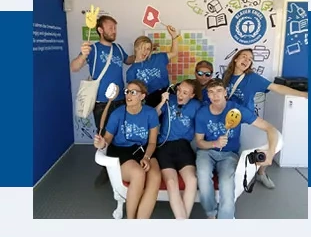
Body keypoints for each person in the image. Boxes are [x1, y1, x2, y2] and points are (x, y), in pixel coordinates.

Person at [221, 48, 308, 189]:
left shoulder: (252, 78)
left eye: (250, 59)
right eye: (244, 56)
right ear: (235, 59)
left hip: (247, 120)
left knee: (269, 139)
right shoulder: (226, 75)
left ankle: (261, 172)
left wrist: (303, 95)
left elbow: (277, 88)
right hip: (229, 120)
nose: (247, 60)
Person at [194, 78, 279, 219]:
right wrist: (214, 143)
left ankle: (225, 220)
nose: (215, 95)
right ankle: (211, 214)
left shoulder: (236, 110)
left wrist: (270, 152)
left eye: (219, 91)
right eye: (211, 92)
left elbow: (270, 129)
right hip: (206, 152)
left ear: (225, 92)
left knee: (227, 184)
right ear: (207, 95)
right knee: (203, 175)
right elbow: (199, 142)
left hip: (229, 155)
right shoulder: (202, 113)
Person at [70, 15, 134, 187]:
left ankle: (122, 167)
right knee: (104, 138)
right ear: (100, 30)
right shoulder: (93, 49)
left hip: (122, 101)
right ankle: (106, 170)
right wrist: (83, 55)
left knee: (121, 136)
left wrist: (144, 52)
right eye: (111, 27)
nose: (114, 30)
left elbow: (129, 60)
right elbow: (74, 67)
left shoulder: (118, 48)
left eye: (115, 27)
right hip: (101, 104)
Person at [92, 80, 161, 219]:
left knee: (155, 177)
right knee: (138, 174)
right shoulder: (117, 114)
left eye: (133, 92)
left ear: (142, 96)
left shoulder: (150, 113)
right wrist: (101, 144)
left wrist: (147, 157)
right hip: (121, 151)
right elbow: (107, 140)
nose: (128, 95)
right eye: (127, 91)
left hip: (143, 150)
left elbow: (152, 142)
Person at [154, 79, 202, 219]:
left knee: (192, 180)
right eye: (179, 90)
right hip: (164, 146)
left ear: (192, 95)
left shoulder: (197, 106)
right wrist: (162, 101)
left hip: (183, 146)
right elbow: (152, 116)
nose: (180, 94)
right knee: (171, 182)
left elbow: (205, 121)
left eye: (185, 92)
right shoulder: (170, 100)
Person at [126, 25, 180, 107]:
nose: (145, 52)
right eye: (142, 48)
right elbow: (133, 92)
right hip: (149, 100)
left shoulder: (158, 58)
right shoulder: (131, 71)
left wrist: (174, 36)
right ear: (136, 48)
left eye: (148, 49)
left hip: (166, 94)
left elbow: (174, 53)